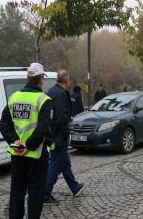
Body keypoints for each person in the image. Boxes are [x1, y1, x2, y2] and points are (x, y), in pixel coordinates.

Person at [0, 63, 52, 219]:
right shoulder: (43, 99)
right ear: (41, 79)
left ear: (28, 78)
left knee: (17, 192)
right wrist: (28, 146)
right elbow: (42, 129)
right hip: (36, 155)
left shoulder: (13, 97)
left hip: (17, 154)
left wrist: (16, 143)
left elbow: (4, 126)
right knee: (36, 193)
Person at [44, 70, 84, 205]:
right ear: (66, 81)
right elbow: (61, 117)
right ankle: (45, 195)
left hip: (53, 133)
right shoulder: (61, 94)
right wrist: (68, 124)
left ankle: (75, 187)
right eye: (69, 80)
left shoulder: (50, 92)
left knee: (64, 161)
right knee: (55, 165)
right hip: (60, 135)